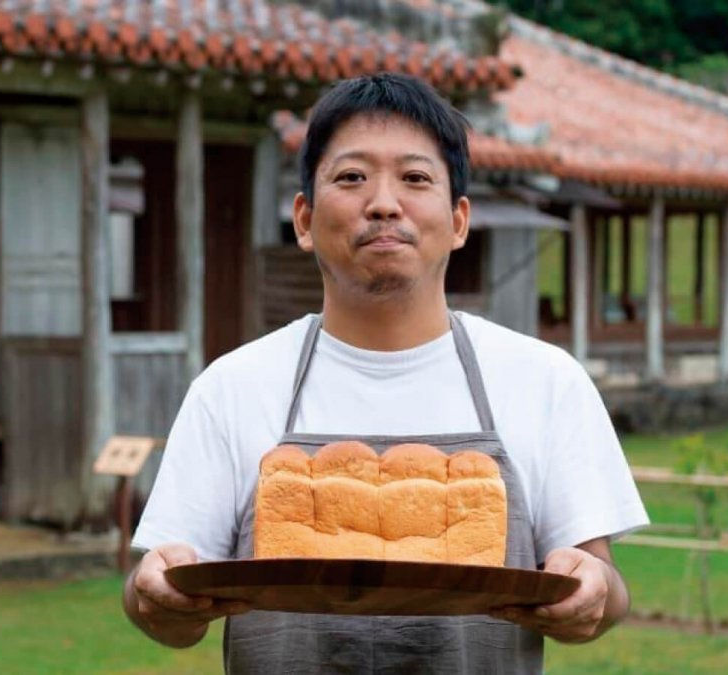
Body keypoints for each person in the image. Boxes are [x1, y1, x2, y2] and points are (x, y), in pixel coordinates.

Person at [124, 73, 648, 673]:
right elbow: (154, 592)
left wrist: (592, 591)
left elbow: (603, 582)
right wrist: (157, 593)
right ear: (303, 219)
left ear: (458, 220)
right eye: (351, 177)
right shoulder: (233, 386)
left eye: (415, 178)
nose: (383, 202)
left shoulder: (544, 381)